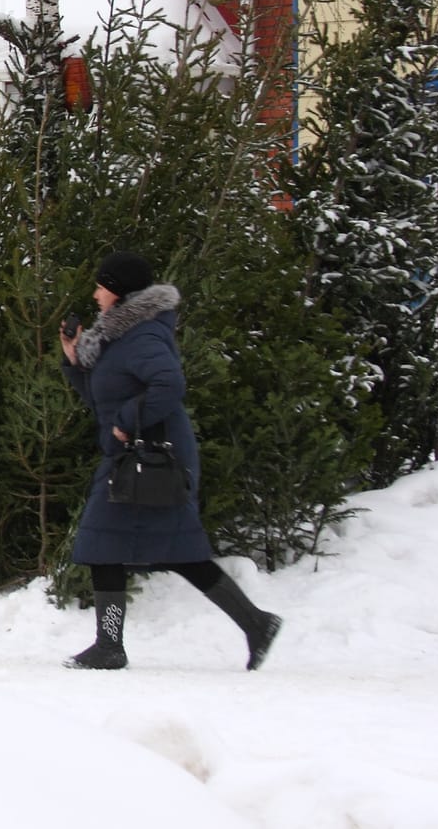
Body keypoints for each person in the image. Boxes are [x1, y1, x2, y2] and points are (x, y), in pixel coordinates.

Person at [58, 250, 284, 670]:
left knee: (104, 543)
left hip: (152, 455)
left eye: (101, 286)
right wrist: (74, 361)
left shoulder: (141, 335)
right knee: (174, 552)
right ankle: (256, 623)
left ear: (119, 292)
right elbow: (100, 397)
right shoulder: (117, 336)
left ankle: (110, 646)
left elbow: (169, 383)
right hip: (134, 454)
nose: (95, 294)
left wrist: (127, 422)